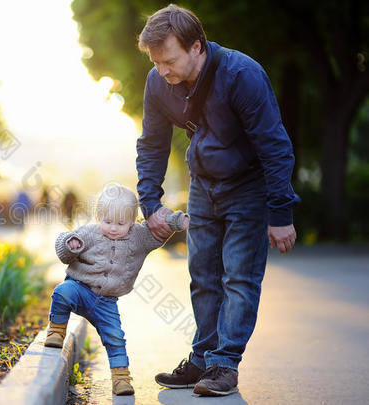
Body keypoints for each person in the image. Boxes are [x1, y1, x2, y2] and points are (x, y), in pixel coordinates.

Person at [135, 4, 301, 397]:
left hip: (248, 187)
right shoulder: (158, 82)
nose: (163, 71)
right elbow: (152, 145)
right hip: (203, 184)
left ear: (197, 46)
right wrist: (151, 204)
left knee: (239, 277)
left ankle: (225, 364)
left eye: (169, 60)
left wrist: (280, 212)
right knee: (203, 276)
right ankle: (203, 357)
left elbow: (275, 147)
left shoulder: (242, 76)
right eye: (156, 62)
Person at [44, 184, 189, 396]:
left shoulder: (139, 236)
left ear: (132, 221)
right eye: (107, 221)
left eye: (121, 223)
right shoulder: (89, 233)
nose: (113, 227)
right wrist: (69, 244)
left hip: (106, 302)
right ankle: (57, 330)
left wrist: (177, 221)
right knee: (62, 292)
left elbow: (160, 229)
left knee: (115, 337)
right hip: (80, 288)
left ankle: (121, 378)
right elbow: (62, 248)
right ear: (99, 216)